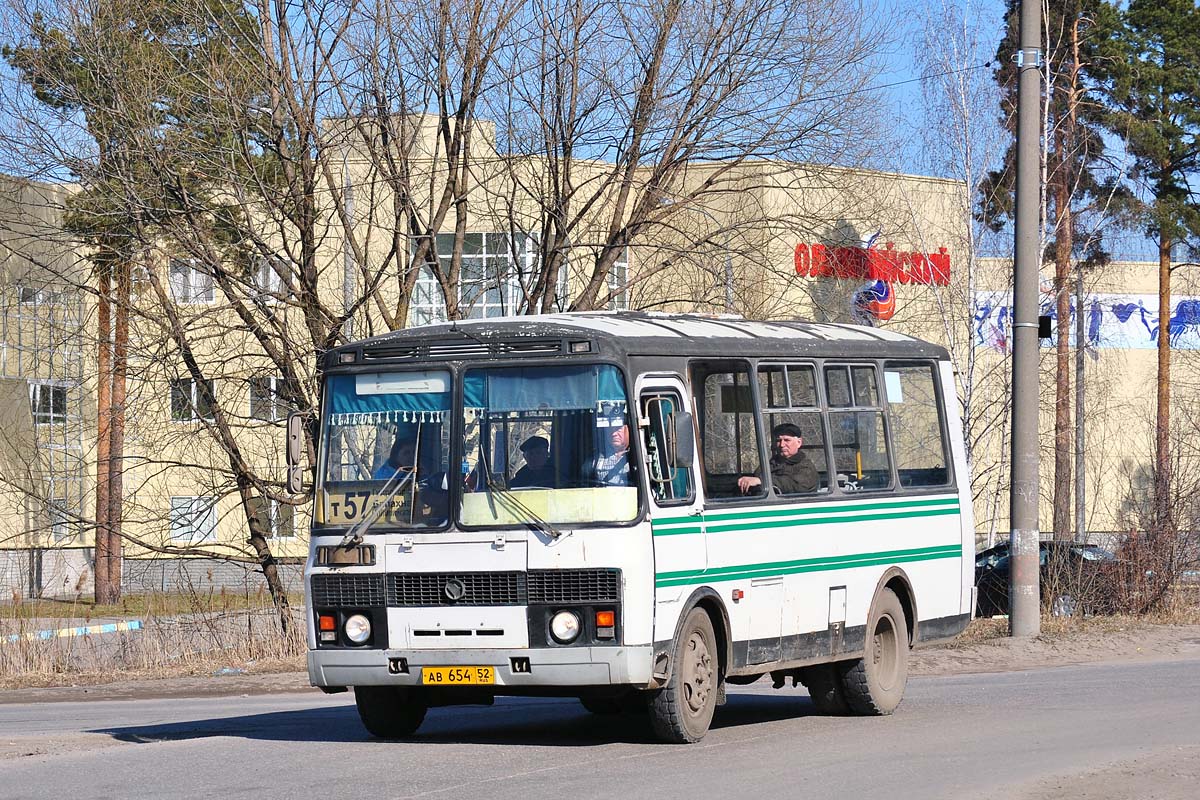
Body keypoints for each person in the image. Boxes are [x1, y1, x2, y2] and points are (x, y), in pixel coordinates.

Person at [737, 422, 819, 495]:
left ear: (799, 442)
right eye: (778, 440)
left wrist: (762, 481)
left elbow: (792, 485)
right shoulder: (771, 463)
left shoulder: (806, 467)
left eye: (787, 440)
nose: (782, 444)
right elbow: (756, 477)